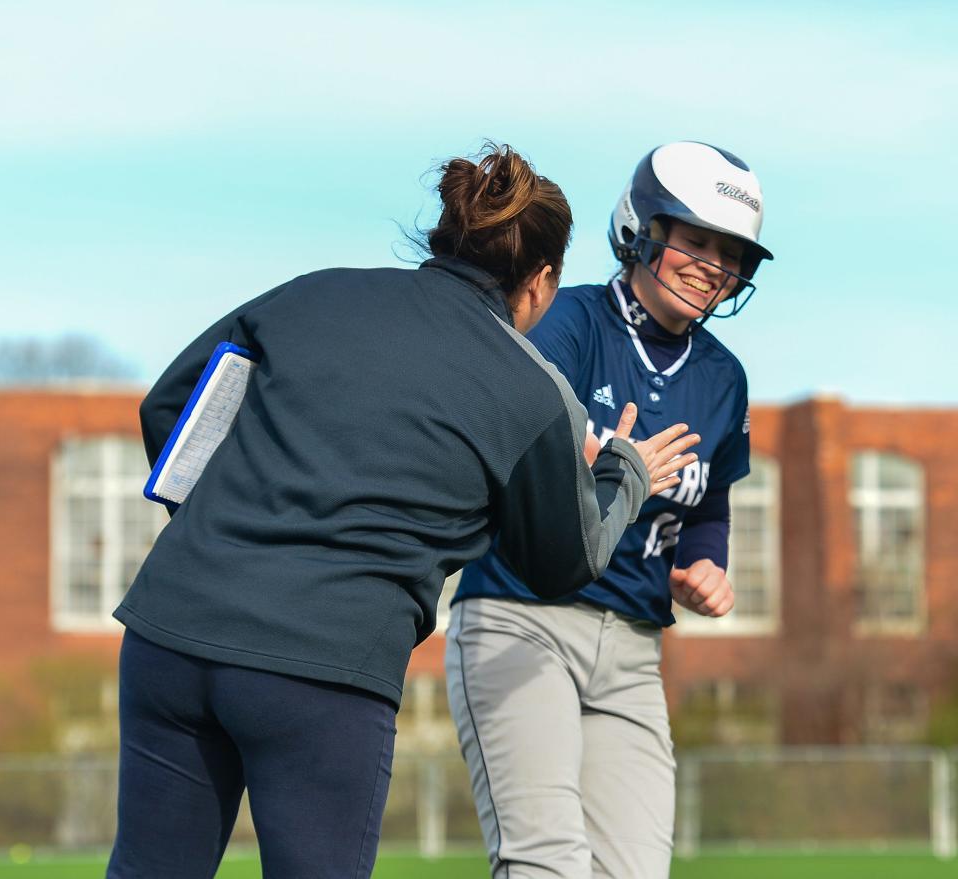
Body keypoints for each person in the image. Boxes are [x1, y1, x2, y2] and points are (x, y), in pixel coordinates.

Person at [105, 143, 699, 879]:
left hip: (172, 628)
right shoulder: (529, 388)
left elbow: (172, 406)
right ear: (542, 282)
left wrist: (222, 539)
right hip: (321, 668)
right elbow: (562, 563)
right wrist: (627, 474)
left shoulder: (310, 295)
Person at [446, 141, 775, 879]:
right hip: (522, 613)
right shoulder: (570, 319)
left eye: (731, 252)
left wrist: (704, 561)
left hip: (632, 643)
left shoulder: (723, 377)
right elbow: (514, 432)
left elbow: (710, 500)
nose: (713, 265)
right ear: (640, 228)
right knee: (547, 864)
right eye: (694, 239)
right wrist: (591, 452)